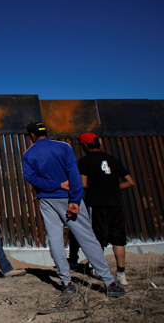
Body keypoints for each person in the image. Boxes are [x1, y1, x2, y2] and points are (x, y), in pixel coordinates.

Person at [21, 122, 125, 297]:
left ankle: (66, 282)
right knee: (87, 237)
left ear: (31, 136)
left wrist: (55, 185)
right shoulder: (63, 147)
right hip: (69, 198)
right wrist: (75, 200)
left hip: (47, 200)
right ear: (45, 132)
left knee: (55, 240)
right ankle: (109, 282)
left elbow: (31, 178)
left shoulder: (29, 153)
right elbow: (74, 174)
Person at [73, 132, 135, 286]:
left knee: (97, 238)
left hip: (97, 204)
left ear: (85, 146)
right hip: (115, 204)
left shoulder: (84, 162)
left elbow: (84, 184)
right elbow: (130, 182)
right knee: (118, 240)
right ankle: (121, 273)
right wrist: (114, 188)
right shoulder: (114, 160)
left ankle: (97, 269)